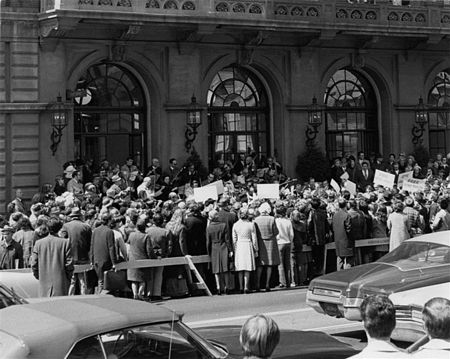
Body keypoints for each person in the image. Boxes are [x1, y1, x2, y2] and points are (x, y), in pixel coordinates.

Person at [30, 217, 74, 297]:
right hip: (61, 283)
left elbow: (34, 264)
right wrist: (67, 279)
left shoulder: (38, 243)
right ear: (60, 228)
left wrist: (40, 277)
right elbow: (69, 264)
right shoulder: (65, 243)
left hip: (44, 283)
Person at [61, 207, 92, 295]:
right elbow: (90, 243)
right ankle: (84, 297)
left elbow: (62, 240)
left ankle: (70, 297)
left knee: (72, 280)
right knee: (83, 280)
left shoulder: (66, 226)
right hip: (84, 256)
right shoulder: (86, 226)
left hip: (70, 256)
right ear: (80, 216)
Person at [253, 202, 279, 292]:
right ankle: (267, 284)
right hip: (270, 242)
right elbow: (276, 231)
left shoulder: (256, 220)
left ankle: (257, 284)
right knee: (269, 264)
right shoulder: (272, 219)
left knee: (260, 264)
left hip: (260, 242)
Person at [146, 213, 173, 300]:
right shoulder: (166, 232)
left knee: (150, 274)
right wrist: (167, 254)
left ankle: (149, 293)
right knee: (158, 274)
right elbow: (169, 246)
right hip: (161, 254)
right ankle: (156, 294)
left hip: (149, 253)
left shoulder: (147, 231)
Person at [90, 212, 118, 293]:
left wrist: (91, 260)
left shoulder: (95, 231)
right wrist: (114, 262)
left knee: (100, 280)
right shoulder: (109, 231)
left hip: (96, 260)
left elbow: (92, 245)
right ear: (109, 220)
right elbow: (111, 247)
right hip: (106, 260)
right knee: (104, 282)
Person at [206, 209, 232, 295]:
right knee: (225, 268)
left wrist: (208, 252)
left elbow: (208, 242)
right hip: (223, 246)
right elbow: (227, 239)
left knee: (216, 270)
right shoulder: (224, 225)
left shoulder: (209, 228)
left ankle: (218, 287)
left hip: (214, 247)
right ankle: (227, 287)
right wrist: (230, 249)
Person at [233, 208, 258, 294]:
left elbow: (234, 239)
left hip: (239, 245)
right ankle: (246, 287)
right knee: (247, 267)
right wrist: (256, 249)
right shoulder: (251, 225)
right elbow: (254, 239)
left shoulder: (235, 225)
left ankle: (240, 286)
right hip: (247, 244)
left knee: (240, 267)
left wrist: (235, 248)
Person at [127, 219, 154, 300]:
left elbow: (128, 244)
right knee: (143, 279)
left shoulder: (131, 235)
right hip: (143, 260)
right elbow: (149, 250)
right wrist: (153, 258)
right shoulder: (146, 236)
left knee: (134, 280)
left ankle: (135, 294)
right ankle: (140, 294)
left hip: (132, 260)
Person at [332, 199, 354, 271]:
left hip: (338, 240)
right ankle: (348, 275)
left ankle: (340, 276)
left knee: (339, 259)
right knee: (349, 260)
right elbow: (349, 229)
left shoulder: (335, 215)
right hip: (346, 240)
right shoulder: (347, 215)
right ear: (346, 205)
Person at [275, 205, 293, 288]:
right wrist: (290, 241)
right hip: (287, 242)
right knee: (287, 263)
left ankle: (282, 282)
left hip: (279, 242)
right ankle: (288, 281)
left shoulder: (276, 221)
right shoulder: (288, 221)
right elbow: (291, 234)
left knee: (281, 264)